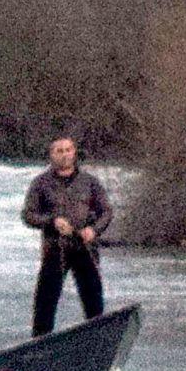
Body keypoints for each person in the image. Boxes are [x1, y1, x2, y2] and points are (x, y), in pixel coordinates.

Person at [23, 136, 110, 335]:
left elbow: (106, 211)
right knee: (46, 301)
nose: (65, 155)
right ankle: (40, 345)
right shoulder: (40, 183)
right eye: (59, 151)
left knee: (93, 300)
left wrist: (94, 230)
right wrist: (51, 221)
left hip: (85, 248)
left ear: (74, 152)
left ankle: (97, 341)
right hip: (55, 248)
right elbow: (28, 215)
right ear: (52, 155)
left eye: (68, 150)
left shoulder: (90, 182)